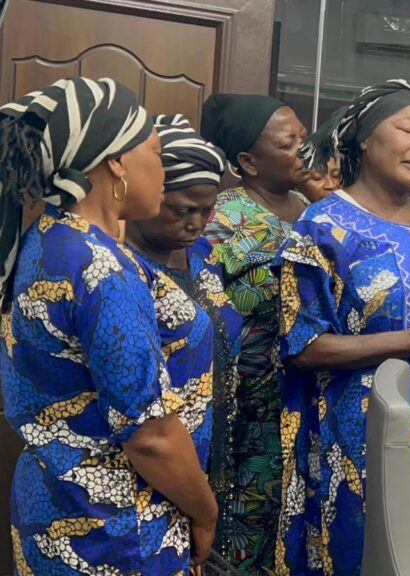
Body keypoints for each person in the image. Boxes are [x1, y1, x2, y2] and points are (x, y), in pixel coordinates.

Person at [274, 79, 410, 575]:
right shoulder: (322, 227)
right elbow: (302, 346)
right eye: (408, 128)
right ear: (366, 139)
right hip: (360, 435)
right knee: (364, 556)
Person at [0, 78, 216, 574]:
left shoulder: (51, 237)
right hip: (116, 530)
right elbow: (150, 437)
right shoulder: (102, 271)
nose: (163, 172)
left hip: (54, 504)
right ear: (117, 161)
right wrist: (205, 513)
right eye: (156, 152)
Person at [123, 114, 245, 558]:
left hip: (210, 453)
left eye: (206, 211)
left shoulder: (203, 257)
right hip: (154, 469)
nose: (197, 223)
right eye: (183, 210)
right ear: (152, 193)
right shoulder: (124, 270)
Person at [201, 93, 310, 573]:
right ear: (248, 161)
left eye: (303, 138)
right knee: (244, 526)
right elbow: (207, 303)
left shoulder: (311, 208)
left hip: (304, 395)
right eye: (288, 144)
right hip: (248, 407)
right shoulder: (219, 218)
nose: (303, 151)